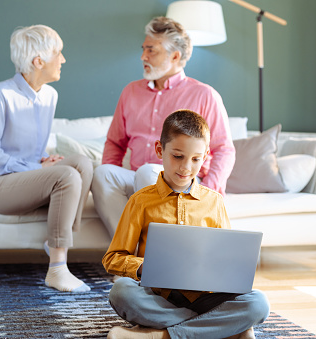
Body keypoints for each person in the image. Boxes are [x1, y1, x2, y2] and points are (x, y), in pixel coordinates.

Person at [102, 110, 269, 339]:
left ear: (205, 156)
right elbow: (113, 258)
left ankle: (159, 335)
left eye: (195, 159)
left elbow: (227, 263)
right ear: (160, 150)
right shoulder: (140, 202)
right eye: (178, 156)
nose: (186, 168)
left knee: (258, 303)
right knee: (121, 292)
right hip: (158, 296)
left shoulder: (214, 202)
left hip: (203, 297)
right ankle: (222, 330)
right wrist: (142, 267)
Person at [0, 25, 93, 293]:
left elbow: (31, 150)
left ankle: (56, 242)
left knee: (82, 164)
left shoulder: (50, 96)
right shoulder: (1, 94)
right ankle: (57, 270)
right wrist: (36, 167)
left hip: (24, 178)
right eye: (58, 53)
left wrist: (46, 159)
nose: (63, 60)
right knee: (67, 175)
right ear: (38, 61)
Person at [92, 16, 236, 237]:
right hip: (138, 178)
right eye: (143, 49)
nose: (143, 57)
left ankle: (156, 258)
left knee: (149, 171)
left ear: (175, 56)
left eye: (152, 51)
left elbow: (224, 149)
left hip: (182, 180)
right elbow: (114, 142)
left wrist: (209, 192)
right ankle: (131, 254)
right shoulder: (130, 91)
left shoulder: (205, 95)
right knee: (103, 173)